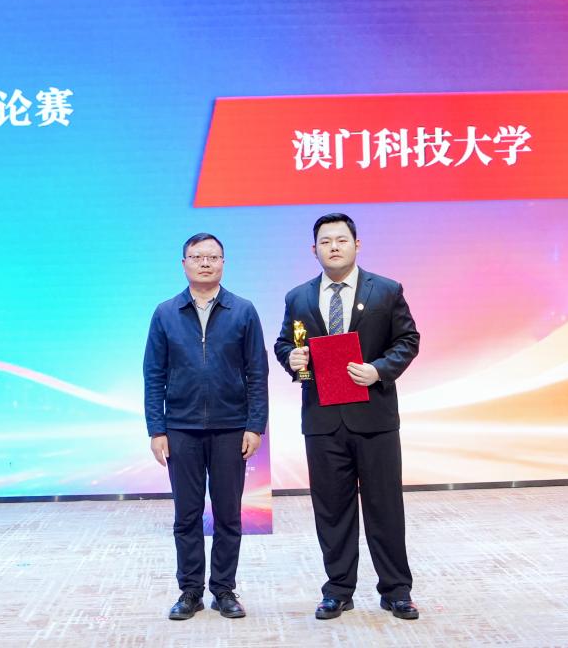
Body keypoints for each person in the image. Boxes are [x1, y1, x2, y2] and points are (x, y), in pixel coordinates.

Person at [274, 213, 422, 620]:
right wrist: (292, 359)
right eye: (325, 241)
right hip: (322, 420)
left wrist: (379, 370)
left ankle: (396, 590)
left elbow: (408, 339)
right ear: (314, 250)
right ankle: (338, 589)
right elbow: (285, 343)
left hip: (374, 417)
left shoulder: (386, 290)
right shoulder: (298, 297)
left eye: (341, 239)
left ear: (357, 245)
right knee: (332, 509)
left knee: (384, 507)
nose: (334, 247)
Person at [144, 233, 268, 620]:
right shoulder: (165, 313)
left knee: (228, 514)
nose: (205, 263)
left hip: (231, 428)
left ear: (223, 263)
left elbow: (257, 372)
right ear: (183, 264)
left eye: (212, 257)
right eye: (197, 256)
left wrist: (255, 425)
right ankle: (190, 591)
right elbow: (153, 375)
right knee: (187, 514)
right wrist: (157, 429)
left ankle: (224, 590)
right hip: (181, 429)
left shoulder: (243, 311)